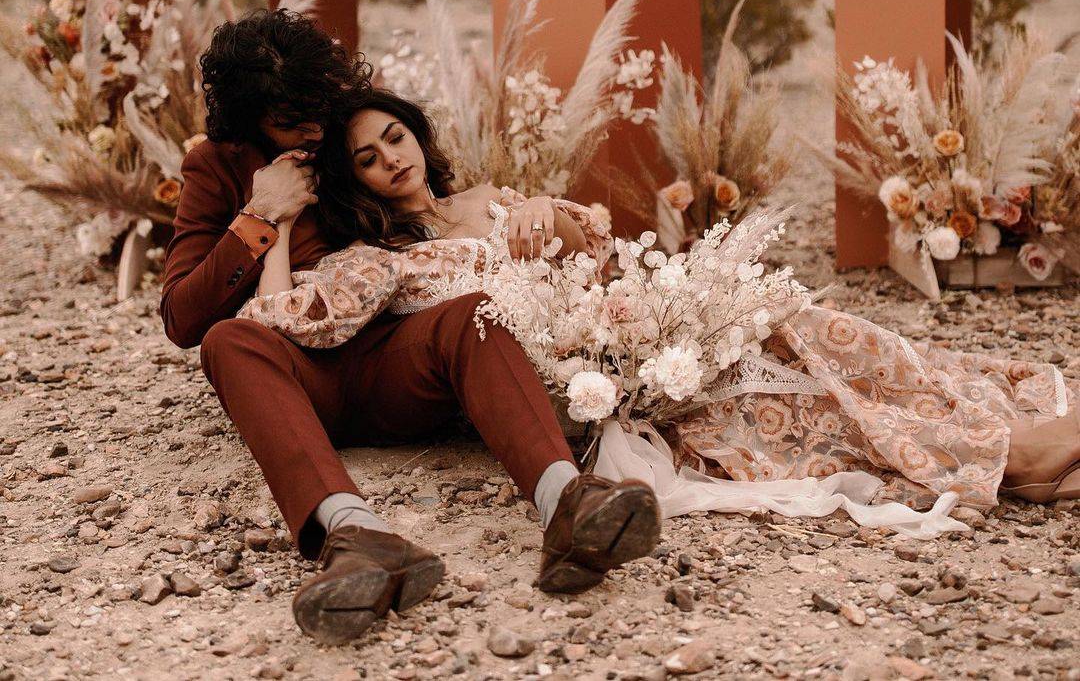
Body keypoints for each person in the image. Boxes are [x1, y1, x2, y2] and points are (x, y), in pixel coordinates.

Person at [246, 86, 1080, 545]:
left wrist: (548, 213)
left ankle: (985, 427)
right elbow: (278, 320)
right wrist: (278, 223)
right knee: (780, 401)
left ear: (417, 136)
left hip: (634, 314)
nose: (390, 158)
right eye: (367, 158)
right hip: (581, 381)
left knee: (794, 321)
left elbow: (599, 246)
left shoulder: (494, 198)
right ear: (356, 183)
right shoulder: (380, 261)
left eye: (394, 136)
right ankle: (1004, 457)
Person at [161, 10, 661, 648]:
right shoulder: (218, 165)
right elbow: (180, 316)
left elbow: (446, 218)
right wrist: (261, 214)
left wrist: (530, 209)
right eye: (293, 121)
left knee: (472, 312)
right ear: (251, 119)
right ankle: (355, 539)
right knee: (225, 340)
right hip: (298, 372)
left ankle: (570, 503)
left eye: (322, 105)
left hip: (399, 355)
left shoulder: (351, 126)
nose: (317, 129)